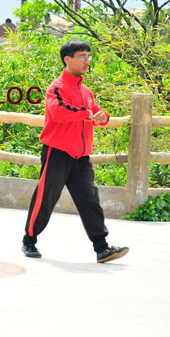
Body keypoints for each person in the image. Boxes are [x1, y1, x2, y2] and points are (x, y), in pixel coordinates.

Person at [21, 39, 129, 263]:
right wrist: (85, 113)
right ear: (67, 60)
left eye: (88, 56)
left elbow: (97, 113)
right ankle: (29, 240)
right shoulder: (57, 87)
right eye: (82, 56)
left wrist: (102, 116)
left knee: (90, 200)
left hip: (81, 157)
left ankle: (102, 248)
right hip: (57, 153)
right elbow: (58, 111)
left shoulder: (86, 91)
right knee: (46, 198)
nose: (87, 61)